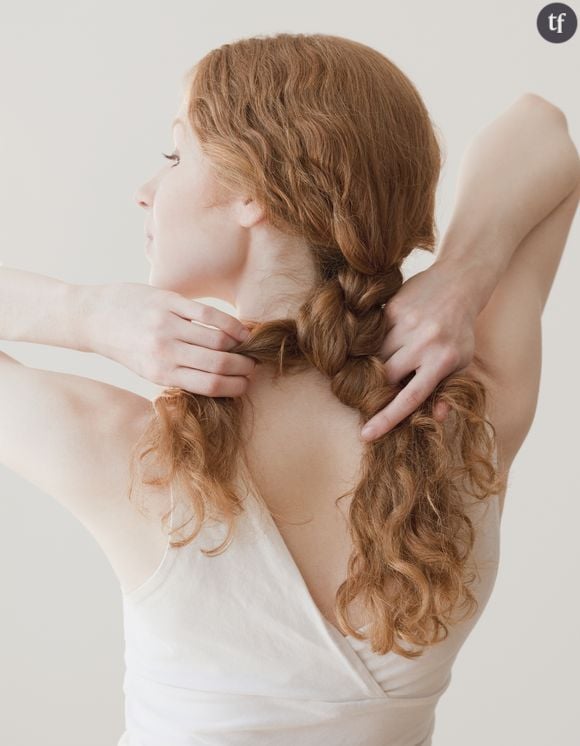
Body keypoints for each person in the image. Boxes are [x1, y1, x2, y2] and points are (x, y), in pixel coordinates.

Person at [1, 32, 579, 746]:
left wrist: (82, 314)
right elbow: (543, 128)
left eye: (176, 156)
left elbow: (544, 129)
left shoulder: (136, 451)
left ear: (251, 193)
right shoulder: (464, 413)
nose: (145, 191)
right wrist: (465, 273)